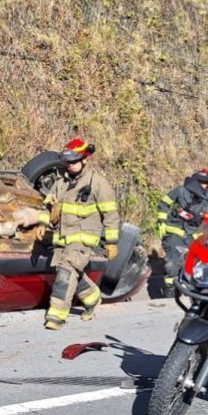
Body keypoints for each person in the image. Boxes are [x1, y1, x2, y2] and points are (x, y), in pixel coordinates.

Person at [38, 138, 120, 330]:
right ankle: (92, 297)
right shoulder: (60, 182)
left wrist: (112, 241)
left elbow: (110, 214)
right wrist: (43, 223)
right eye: (68, 161)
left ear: (85, 160)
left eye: (74, 161)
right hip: (63, 238)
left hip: (83, 238)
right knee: (70, 272)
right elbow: (47, 205)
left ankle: (56, 316)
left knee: (66, 272)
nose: (71, 165)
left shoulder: (97, 183)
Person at [157, 169, 208, 288]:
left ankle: (193, 288)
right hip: (173, 232)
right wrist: (162, 222)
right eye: (205, 183)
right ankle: (170, 290)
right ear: (196, 181)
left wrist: (201, 233)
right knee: (173, 262)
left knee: (202, 262)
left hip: (194, 234)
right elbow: (164, 203)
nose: (207, 186)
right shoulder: (180, 191)